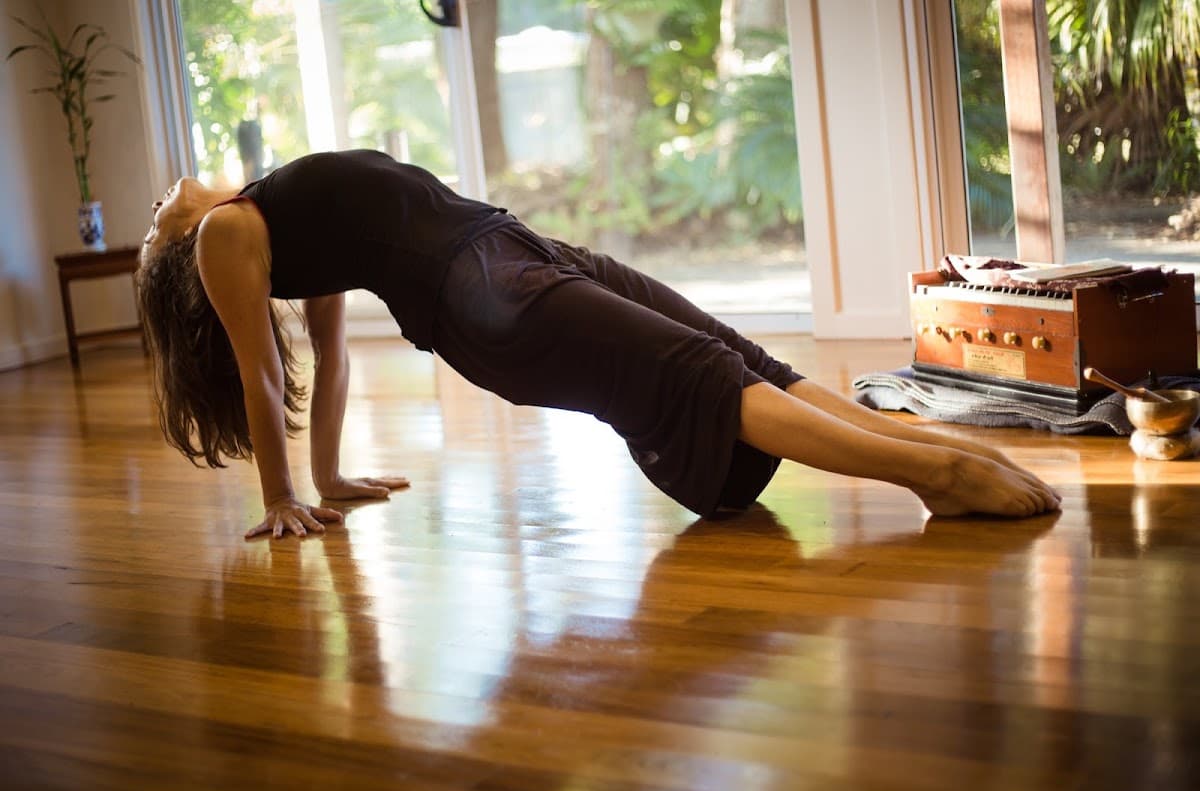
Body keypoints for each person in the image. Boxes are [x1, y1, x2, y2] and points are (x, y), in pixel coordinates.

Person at [136, 149, 1060, 539]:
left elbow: (330, 358)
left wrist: (331, 477)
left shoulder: (267, 215)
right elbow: (261, 372)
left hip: (511, 248)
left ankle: (931, 446)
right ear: (179, 254)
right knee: (702, 376)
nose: (157, 203)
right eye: (150, 226)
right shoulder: (224, 234)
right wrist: (283, 496)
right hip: (484, 295)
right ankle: (937, 481)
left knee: (736, 354)